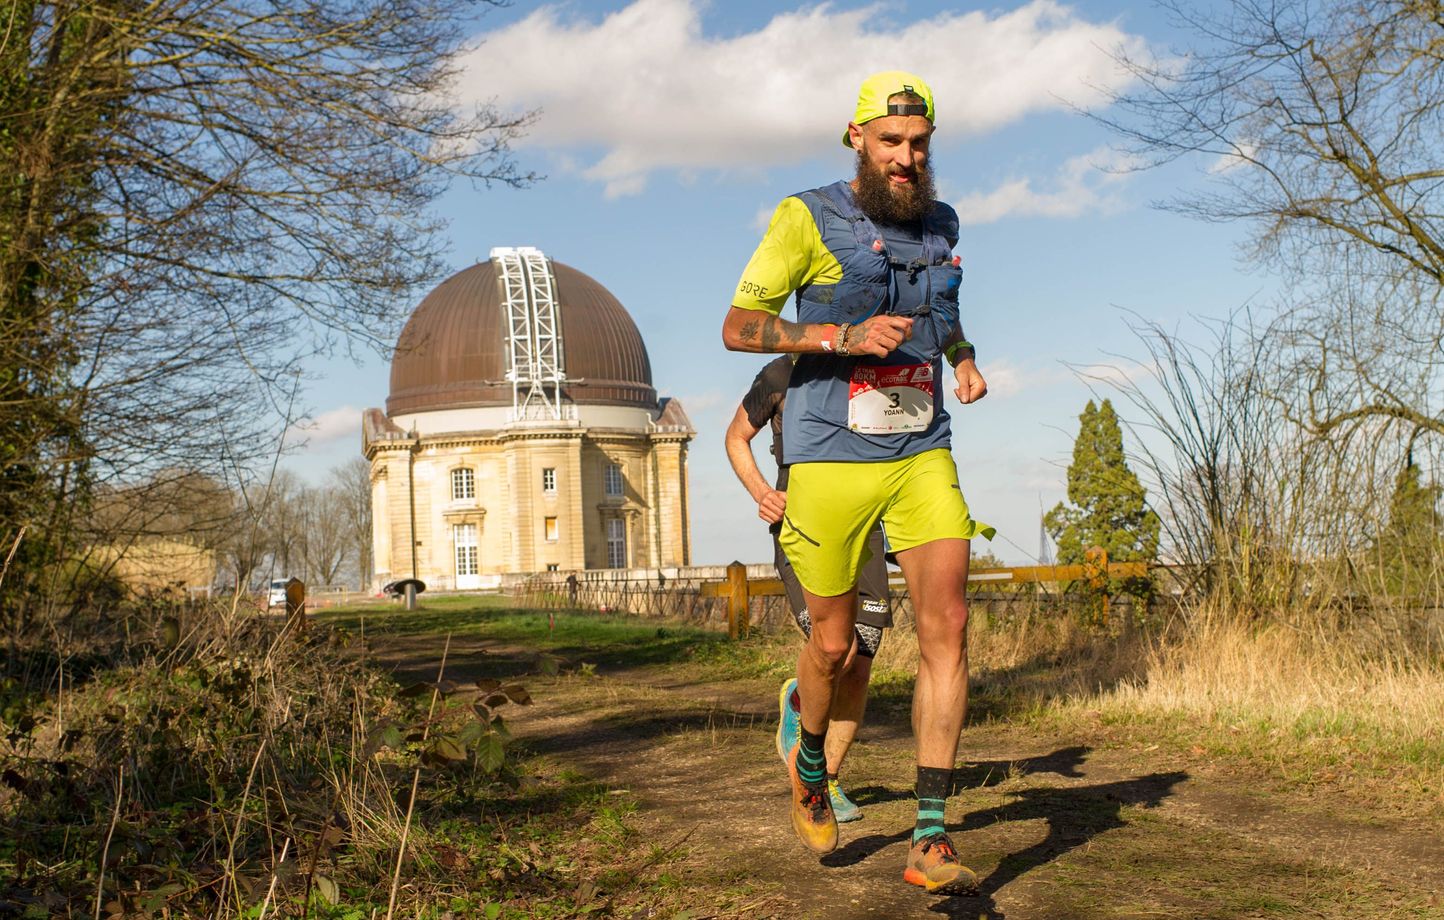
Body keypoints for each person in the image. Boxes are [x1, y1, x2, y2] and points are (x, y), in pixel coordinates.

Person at [720, 71, 993, 894]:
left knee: (948, 621)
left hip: (920, 452)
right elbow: (738, 327)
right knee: (834, 648)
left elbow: (941, 311)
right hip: (829, 455)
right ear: (857, 138)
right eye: (890, 143)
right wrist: (840, 333)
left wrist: (963, 358)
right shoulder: (805, 216)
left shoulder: (941, 224)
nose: (906, 159)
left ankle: (931, 837)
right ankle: (809, 762)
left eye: (918, 145)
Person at [724, 355, 891, 823]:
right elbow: (736, 436)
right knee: (837, 647)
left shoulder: (875, 366)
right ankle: (804, 700)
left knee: (861, 662)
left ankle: (826, 779)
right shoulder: (783, 373)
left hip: (868, 523)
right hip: (803, 520)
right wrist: (762, 493)